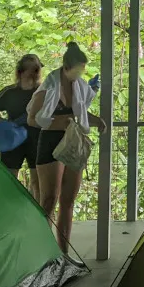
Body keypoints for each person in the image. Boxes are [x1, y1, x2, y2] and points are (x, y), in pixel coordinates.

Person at [27, 43, 107, 254]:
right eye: (77, 69)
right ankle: (43, 252)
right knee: (49, 199)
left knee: (68, 200)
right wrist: (57, 122)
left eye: (82, 70)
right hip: (51, 141)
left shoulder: (80, 86)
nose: (80, 74)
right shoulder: (49, 88)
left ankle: (63, 253)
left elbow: (80, 114)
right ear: (65, 67)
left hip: (73, 140)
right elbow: (32, 119)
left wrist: (97, 120)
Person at [0, 54, 43, 201]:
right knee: (9, 180)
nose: (35, 72)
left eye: (36, 69)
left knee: (37, 183)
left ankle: (38, 215)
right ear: (21, 71)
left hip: (38, 140)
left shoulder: (43, 92)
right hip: (13, 140)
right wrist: (5, 123)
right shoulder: (9, 92)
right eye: (32, 69)